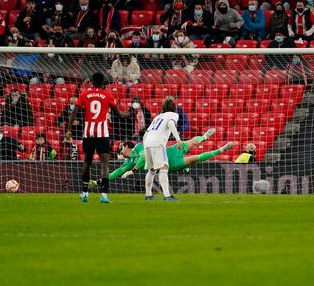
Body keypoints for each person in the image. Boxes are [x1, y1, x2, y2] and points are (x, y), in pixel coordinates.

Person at [67, 72, 128, 203]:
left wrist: (69, 130)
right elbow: (118, 114)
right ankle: (104, 195)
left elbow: (74, 112)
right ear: (103, 83)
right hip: (102, 132)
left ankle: (84, 193)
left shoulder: (84, 94)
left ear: (92, 82)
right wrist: (128, 114)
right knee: (105, 164)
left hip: (88, 132)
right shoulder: (107, 95)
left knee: (87, 163)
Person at [108, 134, 235, 198]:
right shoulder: (127, 163)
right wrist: (100, 181)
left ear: (127, 146)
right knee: (193, 159)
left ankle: (205, 136)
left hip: (169, 151)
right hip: (168, 163)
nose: (120, 151)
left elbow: (143, 157)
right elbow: (116, 172)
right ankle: (221, 150)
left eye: (121, 148)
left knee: (192, 142)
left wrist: (133, 171)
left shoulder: (139, 147)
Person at [142, 96, 181, 201]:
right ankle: (167, 196)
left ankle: (148, 195)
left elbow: (146, 133)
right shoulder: (174, 115)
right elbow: (171, 124)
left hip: (147, 142)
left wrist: (145, 145)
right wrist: (178, 139)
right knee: (164, 168)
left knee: (152, 170)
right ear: (174, 107)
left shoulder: (158, 117)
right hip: (158, 143)